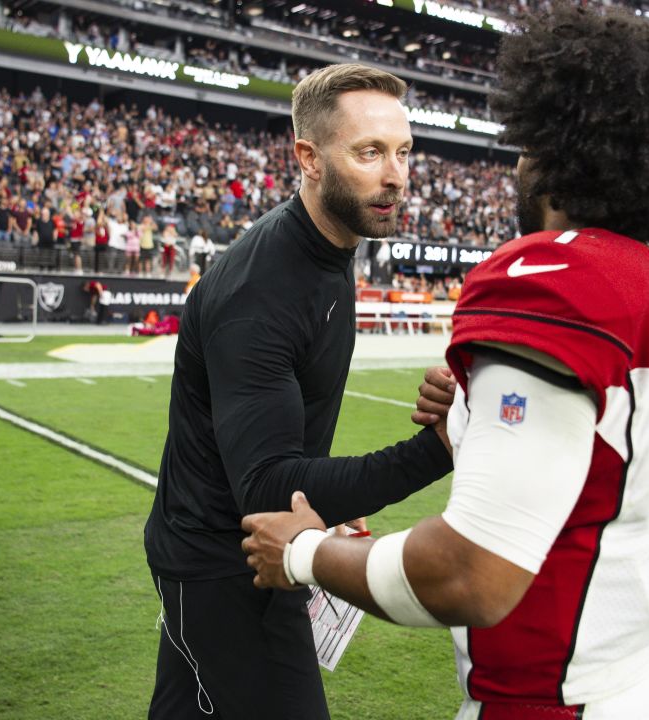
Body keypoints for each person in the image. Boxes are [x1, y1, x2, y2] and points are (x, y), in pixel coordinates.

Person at [239, 8, 649, 718]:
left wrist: (305, 554)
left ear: (556, 152)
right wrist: (481, 420)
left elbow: (471, 573)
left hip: (557, 701)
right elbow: (606, 470)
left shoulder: (556, 281)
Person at [143, 63, 454, 720]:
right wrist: (437, 449)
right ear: (308, 158)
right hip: (228, 564)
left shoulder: (330, 249)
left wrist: (327, 507)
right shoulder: (263, 289)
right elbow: (267, 483)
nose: (395, 175)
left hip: (249, 543)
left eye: (402, 152)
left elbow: (283, 447)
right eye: (369, 152)